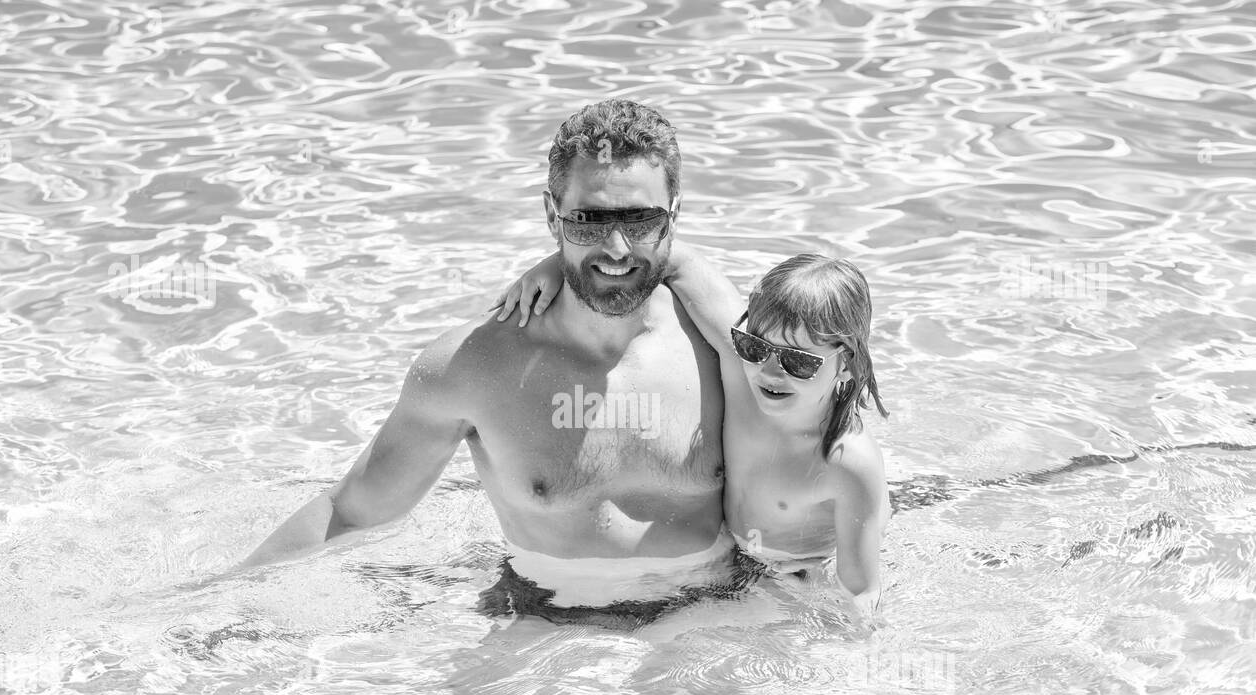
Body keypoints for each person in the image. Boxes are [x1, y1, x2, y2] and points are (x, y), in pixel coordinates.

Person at [240, 99, 736, 612]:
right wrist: (230, 603)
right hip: (544, 626)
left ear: (674, 217)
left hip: (704, 623)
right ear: (552, 216)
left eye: (640, 221)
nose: (615, 248)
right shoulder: (473, 366)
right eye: (588, 220)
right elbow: (353, 511)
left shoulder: (728, 350)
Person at [493, 245, 892, 621]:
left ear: (848, 367)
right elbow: (672, 258)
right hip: (732, 557)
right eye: (755, 347)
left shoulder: (846, 463)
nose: (769, 371)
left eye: (798, 361)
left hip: (797, 573)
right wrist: (557, 266)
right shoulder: (741, 376)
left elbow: (859, 590)